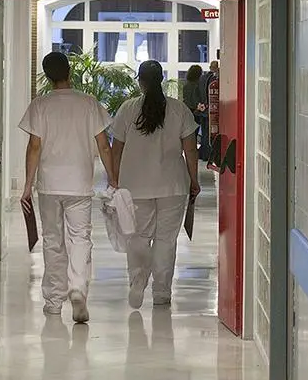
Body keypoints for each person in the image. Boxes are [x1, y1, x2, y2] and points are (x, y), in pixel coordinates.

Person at [19, 52, 117, 323]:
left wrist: (28, 185)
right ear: (69, 73)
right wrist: (112, 177)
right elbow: (103, 144)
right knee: (80, 237)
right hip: (79, 183)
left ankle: (53, 300)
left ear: (47, 76)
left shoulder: (40, 105)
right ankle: (78, 288)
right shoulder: (88, 103)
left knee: (53, 239)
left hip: (49, 184)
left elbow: (35, 146)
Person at [111, 60, 201, 309]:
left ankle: (137, 280)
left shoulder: (128, 109)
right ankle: (161, 292)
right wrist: (194, 180)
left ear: (140, 81)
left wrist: (114, 179)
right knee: (165, 240)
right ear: (161, 79)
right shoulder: (179, 109)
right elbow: (190, 149)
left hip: (135, 186)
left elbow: (115, 148)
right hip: (172, 186)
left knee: (138, 237)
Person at [197, 60, 220, 160]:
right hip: (211, 111)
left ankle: (203, 154)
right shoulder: (214, 80)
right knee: (209, 134)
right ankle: (208, 155)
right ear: (217, 68)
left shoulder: (202, 78)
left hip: (202, 110)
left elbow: (198, 92)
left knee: (204, 134)